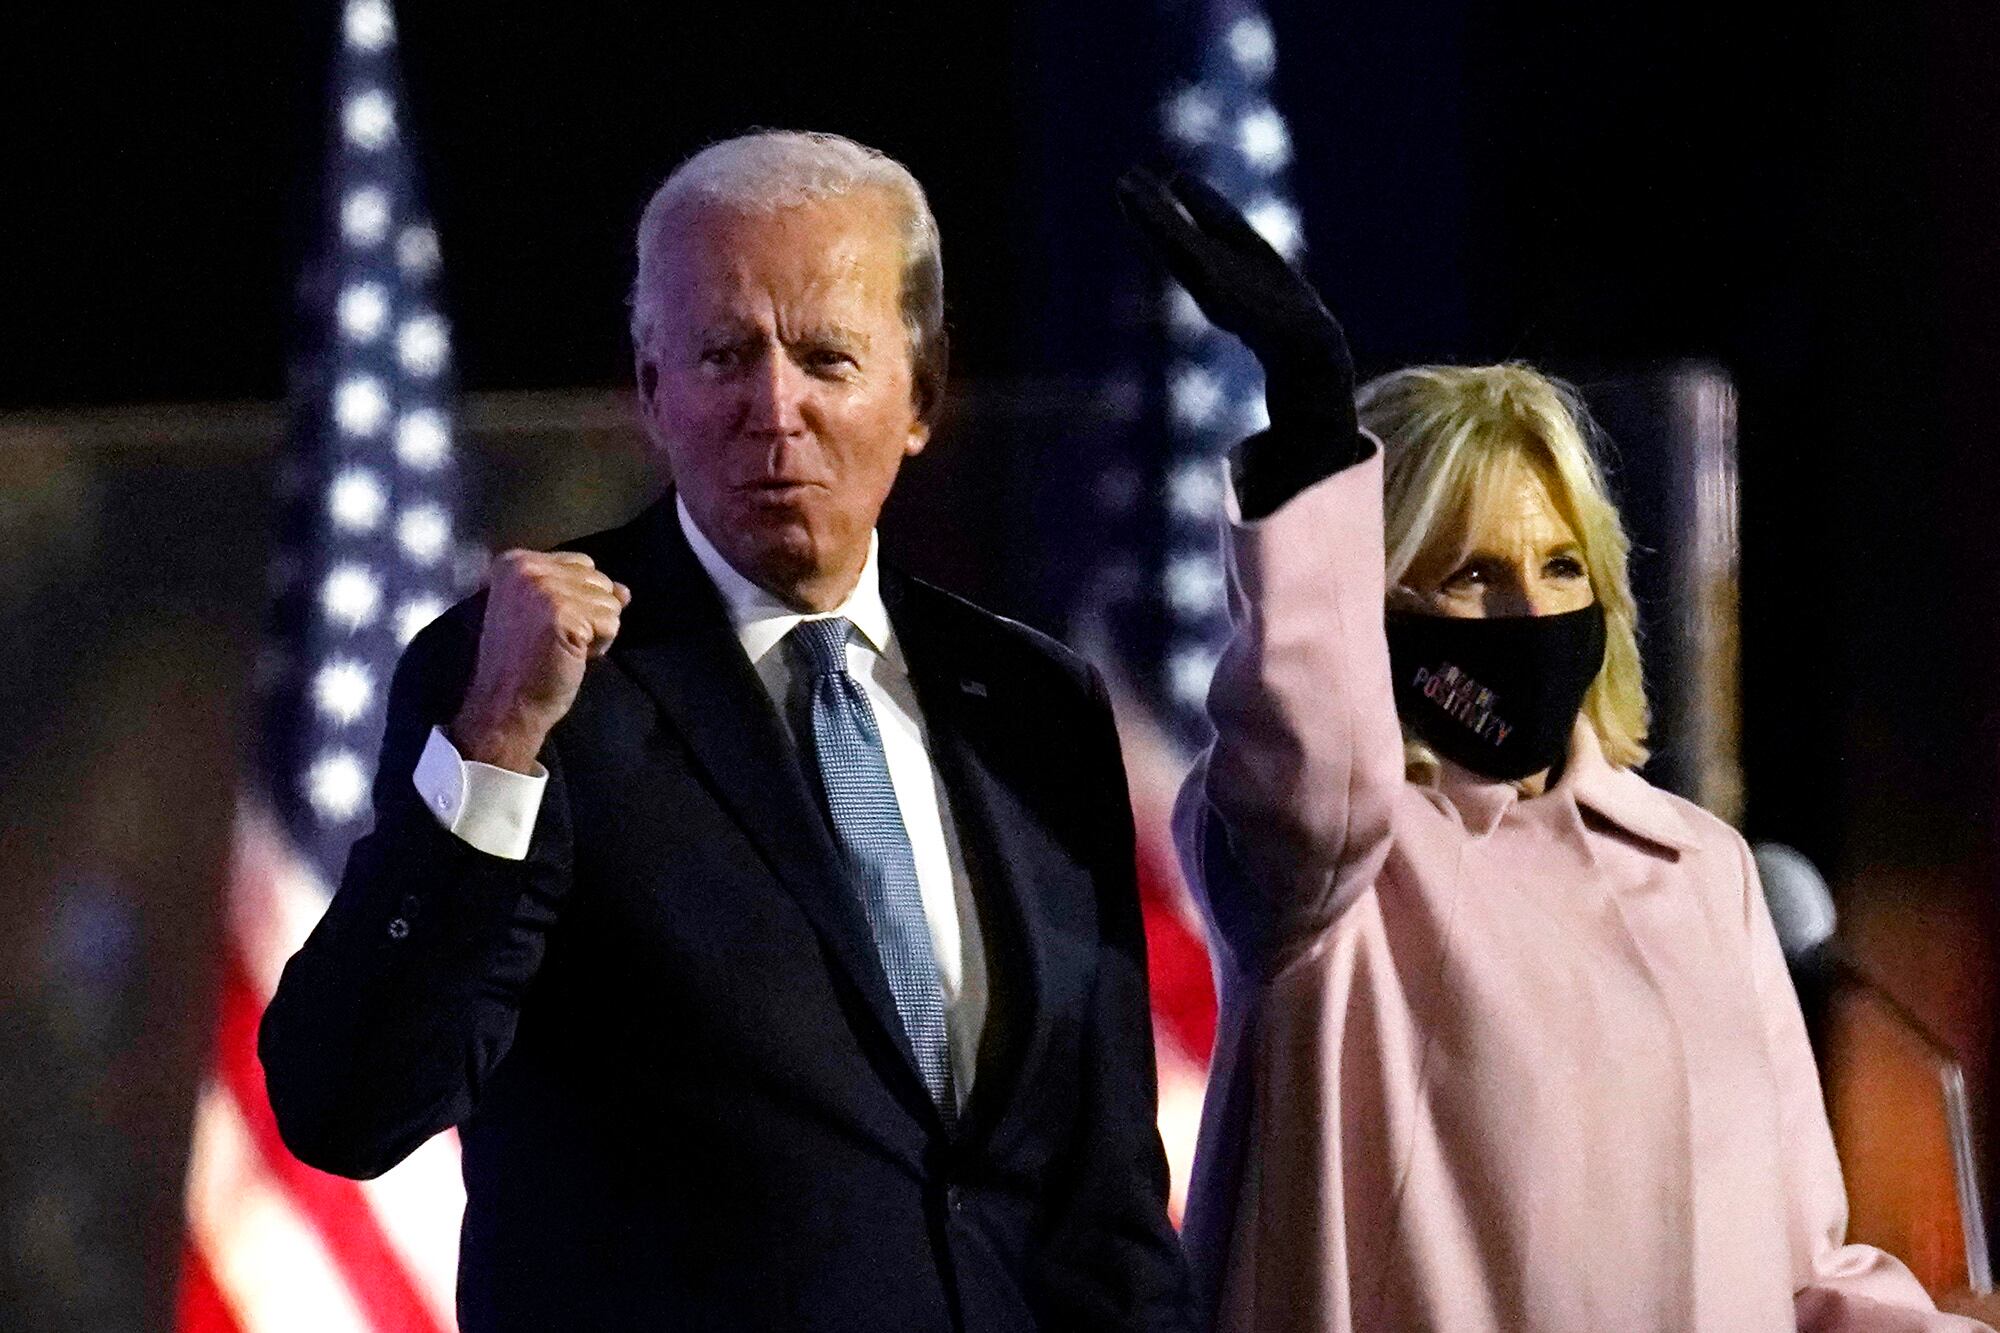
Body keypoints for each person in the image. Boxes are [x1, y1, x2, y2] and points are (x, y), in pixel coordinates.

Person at [260, 131, 1193, 1333]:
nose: (775, 409)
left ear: (924, 394)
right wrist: (495, 744)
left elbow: (1101, 1192)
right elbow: (349, 1102)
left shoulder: (1031, 702)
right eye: (721, 356)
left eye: (826, 357)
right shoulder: (521, 679)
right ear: (651, 389)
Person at [1118, 167, 1992, 1332]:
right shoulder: (1329, 874)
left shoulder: (1701, 871)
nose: (1525, 610)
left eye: (1560, 566)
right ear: (1369, 608)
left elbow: (1803, 1276)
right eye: (1472, 574)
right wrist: (1313, 425)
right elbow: (1312, 763)